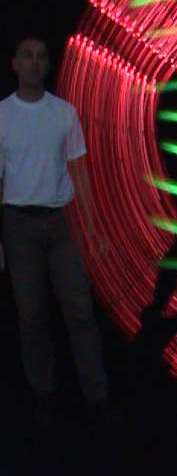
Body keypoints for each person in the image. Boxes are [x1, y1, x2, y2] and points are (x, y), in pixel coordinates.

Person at [0, 35, 118, 427]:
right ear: (15, 63)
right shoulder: (3, 115)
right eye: (27, 55)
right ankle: (44, 392)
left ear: (47, 65)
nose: (35, 62)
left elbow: (79, 172)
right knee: (31, 312)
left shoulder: (64, 113)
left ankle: (96, 395)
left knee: (79, 309)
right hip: (19, 223)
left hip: (63, 221)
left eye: (41, 56)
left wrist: (93, 228)